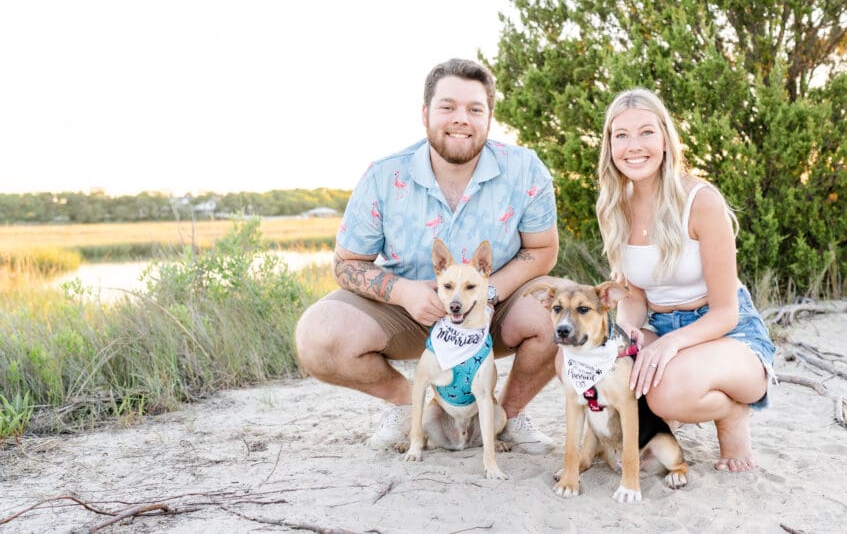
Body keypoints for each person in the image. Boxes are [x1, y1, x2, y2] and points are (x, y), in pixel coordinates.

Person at [294, 58, 564, 454]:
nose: (461, 119)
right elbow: (346, 264)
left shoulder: (525, 169)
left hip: (492, 310)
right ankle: (409, 405)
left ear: (489, 117)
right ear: (425, 114)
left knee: (561, 308)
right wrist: (404, 293)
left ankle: (504, 415)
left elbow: (543, 250)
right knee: (317, 335)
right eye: (447, 107)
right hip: (408, 313)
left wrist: (487, 293)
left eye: (475, 109)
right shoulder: (383, 175)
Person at [595, 87, 776, 472]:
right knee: (594, 362)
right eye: (621, 135)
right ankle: (662, 422)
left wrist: (669, 345)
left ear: (665, 138)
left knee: (666, 393)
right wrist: (629, 332)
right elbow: (635, 295)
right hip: (663, 327)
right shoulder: (613, 205)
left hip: (730, 334)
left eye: (646, 132)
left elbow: (726, 311)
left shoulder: (700, 200)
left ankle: (731, 413)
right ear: (609, 145)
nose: (634, 146)